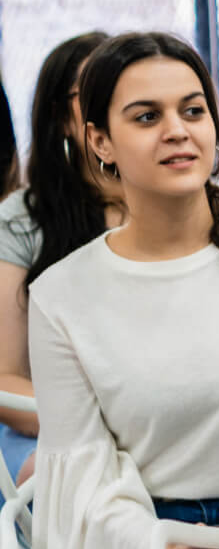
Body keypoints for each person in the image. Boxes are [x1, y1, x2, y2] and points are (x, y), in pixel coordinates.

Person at [28, 31, 219, 549]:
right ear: (100, 140)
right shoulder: (62, 295)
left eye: (193, 110)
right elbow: (80, 476)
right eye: (146, 116)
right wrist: (166, 547)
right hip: (150, 546)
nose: (177, 130)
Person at [0, 31, 125, 483]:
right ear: (62, 120)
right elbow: (4, 378)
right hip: (47, 431)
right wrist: (105, 425)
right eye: (91, 91)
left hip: (156, 426)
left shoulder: (171, 207)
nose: (109, 104)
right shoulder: (21, 219)